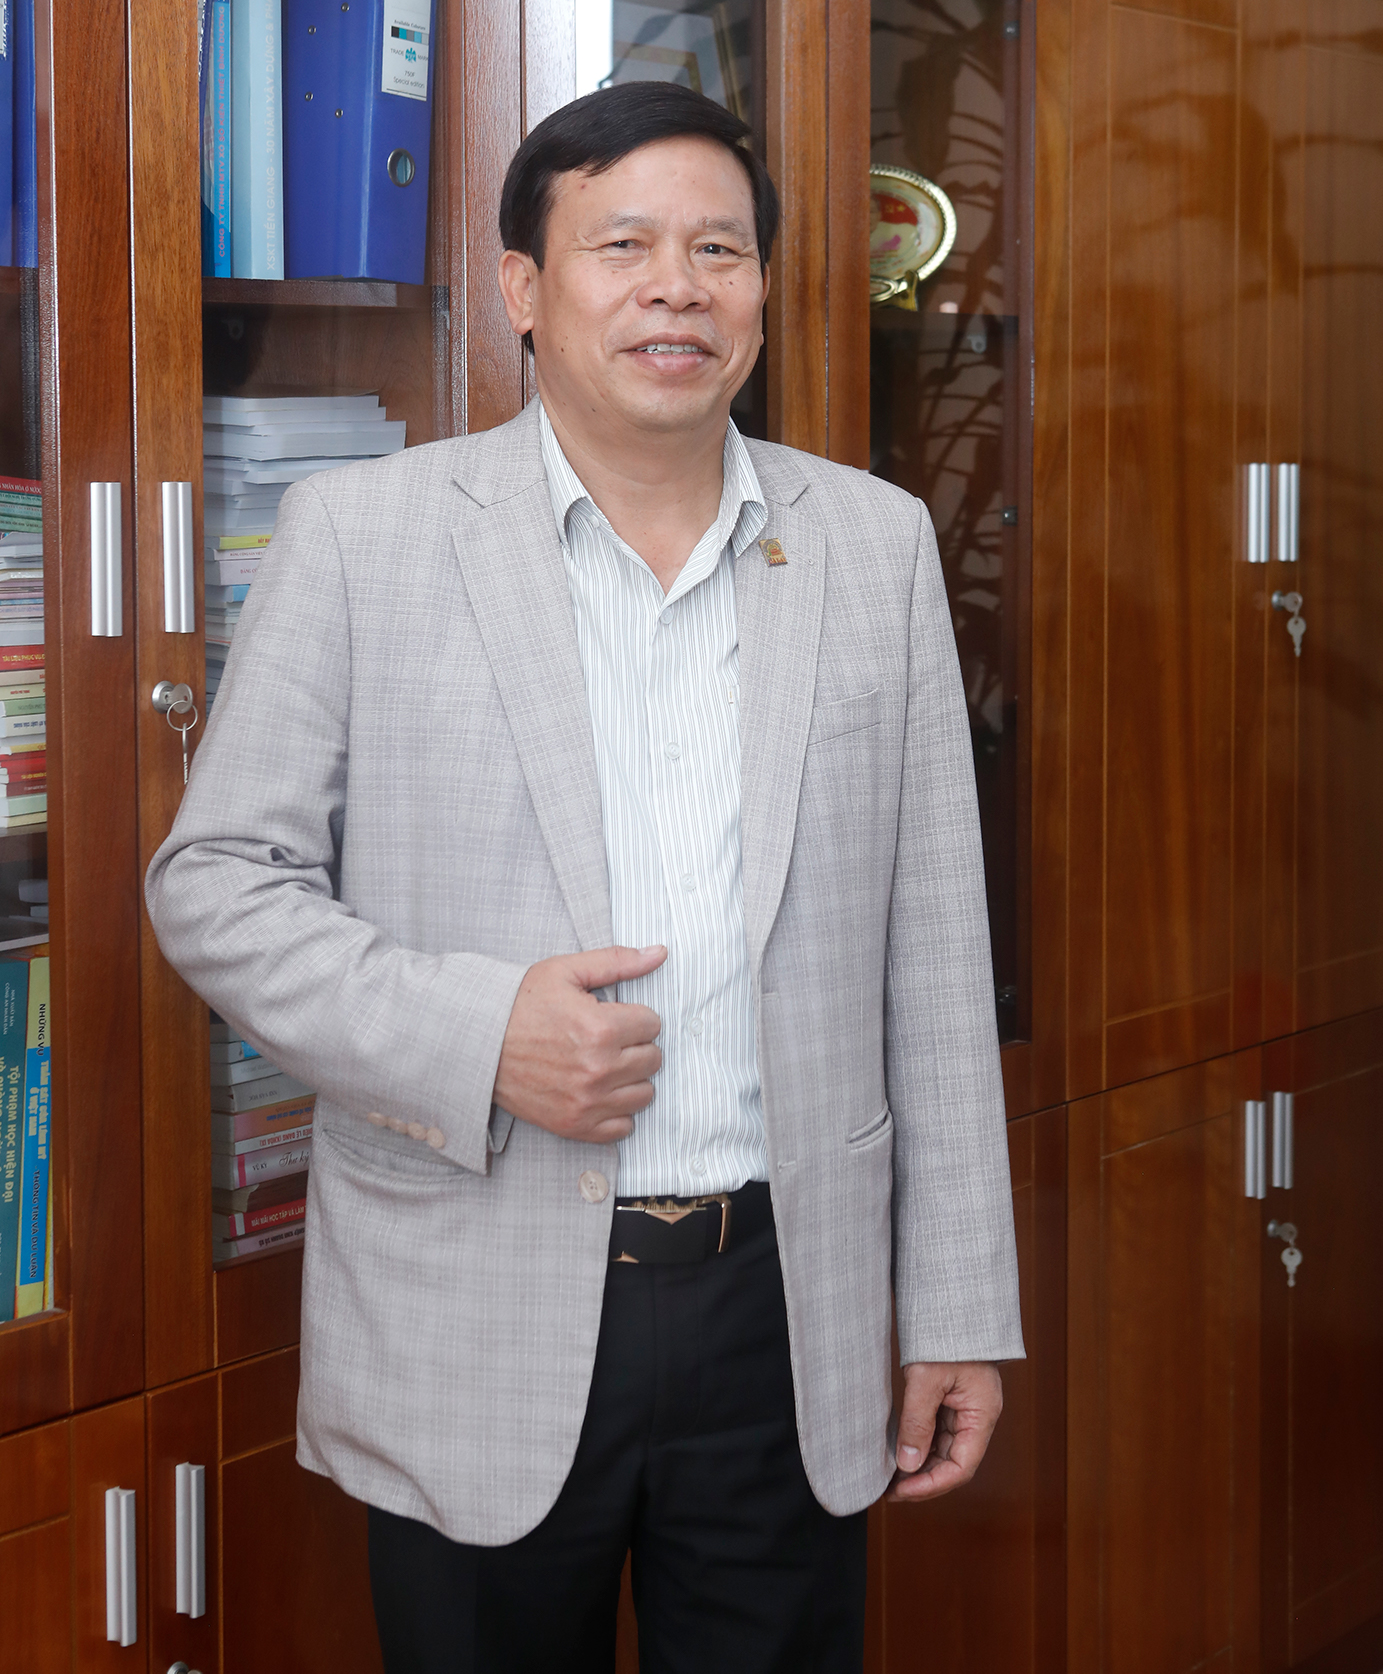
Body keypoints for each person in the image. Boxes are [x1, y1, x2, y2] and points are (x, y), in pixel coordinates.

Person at [146, 81, 1021, 1673]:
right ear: (523, 289)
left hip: (788, 1311)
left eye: (718, 250)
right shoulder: (361, 537)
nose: (676, 287)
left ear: (762, 290)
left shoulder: (873, 544)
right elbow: (215, 882)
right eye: (622, 245)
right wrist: (482, 1033)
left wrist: (958, 1302)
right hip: (470, 1303)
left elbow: (935, 957)